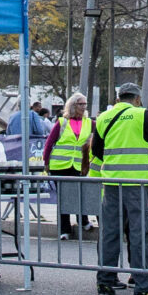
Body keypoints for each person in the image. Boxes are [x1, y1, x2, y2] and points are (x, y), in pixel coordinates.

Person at [91, 83, 148, 295]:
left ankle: (105, 282)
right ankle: (144, 285)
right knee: (138, 234)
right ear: (136, 99)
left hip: (111, 185)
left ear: (118, 99)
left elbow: (97, 150)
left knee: (110, 233)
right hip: (137, 185)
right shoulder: (140, 115)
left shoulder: (104, 118)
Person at [44, 93, 95, 239]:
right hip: (60, 165)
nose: (84, 107)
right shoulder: (62, 122)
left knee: (80, 193)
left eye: (85, 104)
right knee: (64, 197)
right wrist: (46, 162)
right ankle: (64, 230)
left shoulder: (89, 122)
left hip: (79, 165)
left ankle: (83, 220)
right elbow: (49, 143)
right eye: (81, 104)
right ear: (73, 105)